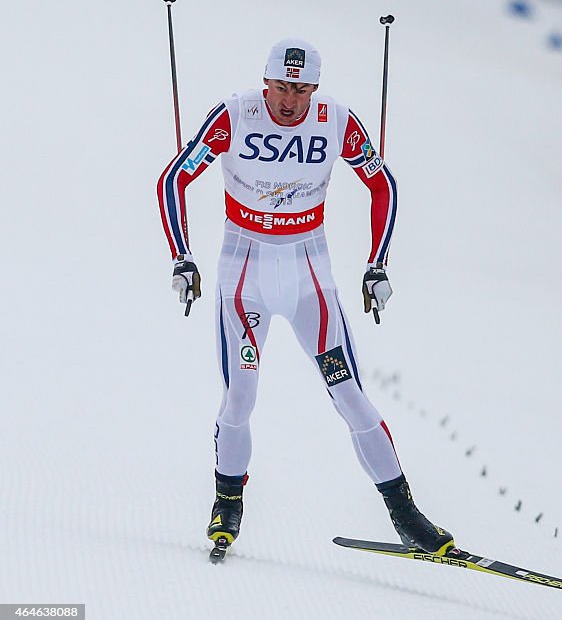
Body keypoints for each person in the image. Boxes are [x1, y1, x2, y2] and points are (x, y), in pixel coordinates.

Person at [157, 38, 454, 557]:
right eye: (281, 88)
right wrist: (182, 254)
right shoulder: (235, 114)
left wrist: (376, 264)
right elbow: (173, 178)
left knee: (350, 395)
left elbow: (382, 184)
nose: (290, 102)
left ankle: (406, 515)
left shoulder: (335, 120)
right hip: (243, 270)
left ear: (315, 89)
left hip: (308, 274)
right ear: (265, 82)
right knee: (241, 396)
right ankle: (227, 501)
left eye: (301, 90)